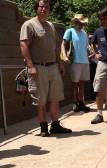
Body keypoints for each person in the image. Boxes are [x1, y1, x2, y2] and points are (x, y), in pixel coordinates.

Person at [20, 0, 72, 137]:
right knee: (40, 99)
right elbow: (24, 45)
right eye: (41, 6)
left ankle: (55, 125)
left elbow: (55, 46)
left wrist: (59, 63)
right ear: (36, 8)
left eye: (47, 7)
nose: (44, 9)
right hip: (38, 67)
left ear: (50, 10)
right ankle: (43, 128)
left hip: (53, 66)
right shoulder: (29, 25)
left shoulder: (50, 26)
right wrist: (30, 66)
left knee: (55, 97)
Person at [61, 14, 91, 112]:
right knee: (74, 84)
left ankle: (81, 102)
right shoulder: (70, 31)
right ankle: (74, 103)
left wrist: (92, 52)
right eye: (79, 22)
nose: (81, 24)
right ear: (75, 22)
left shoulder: (84, 33)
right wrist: (64, 56)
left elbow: (87, 47)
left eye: (82, 23)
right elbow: (63, 44)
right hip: (75, 61)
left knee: (82, 84)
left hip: (85, 61)